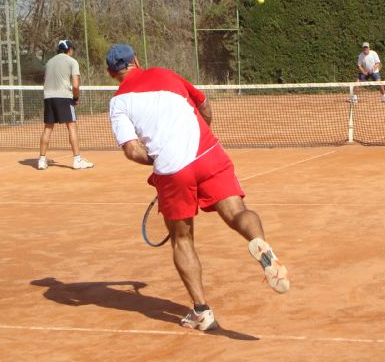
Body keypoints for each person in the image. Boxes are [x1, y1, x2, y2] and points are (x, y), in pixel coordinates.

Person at [105, 43, 289, 332]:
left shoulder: (118, 103)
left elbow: (132, 150)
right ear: (136, 60)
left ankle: (202, 311)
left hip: (172, 170)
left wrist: (159, 159)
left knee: (182, 240)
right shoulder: (166, 74)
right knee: (237, 212)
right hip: (208, 153)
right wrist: (201, 134)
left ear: (110, 73)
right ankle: (261, 244)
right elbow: (204, 105)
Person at [38, 40, 94, 170]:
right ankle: (77, 160)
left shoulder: (49, 62)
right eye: (72, 49)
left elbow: (45, 80)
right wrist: (76, 97)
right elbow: (75, 85)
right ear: (69, 50)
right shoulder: (72, 62)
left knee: (47, 128)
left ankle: (41, 160)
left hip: (48, 97)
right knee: (72, 127)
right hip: (64, 97)